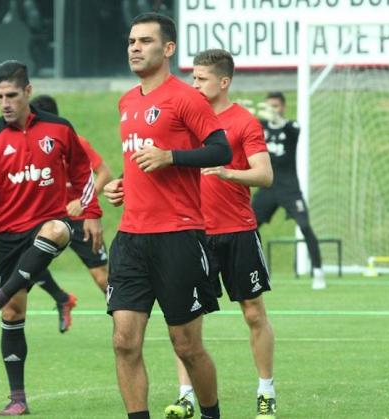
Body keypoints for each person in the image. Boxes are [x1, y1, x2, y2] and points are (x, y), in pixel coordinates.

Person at [103, 13, 232, 419]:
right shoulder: (126, 101)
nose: (135, 48)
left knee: (186, 346)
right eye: (131, 42)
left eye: (144, 41)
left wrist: (172, 157)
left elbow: (220, 150)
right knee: (124, 341)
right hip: (130, 238)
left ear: (168, 49)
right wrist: (121, 183)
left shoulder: (186, 98)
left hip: (178, 237)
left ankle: (211, 414)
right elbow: (144, 159)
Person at [0, 60, 103, 416]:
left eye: (11, 95)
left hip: (47, 223)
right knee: (14, 312)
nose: (5, 103)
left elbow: (84, 171)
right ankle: (17, 398)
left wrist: (91, 214)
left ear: (28, 91)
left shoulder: (59, 128)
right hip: (7, 236)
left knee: (56, 230)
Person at [164, 49, 277, 419]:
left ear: (223, 82)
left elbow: (264, 175)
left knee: (253, 314)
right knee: (186, 320)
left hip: (238, 232)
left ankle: (265, 392)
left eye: (201, 79)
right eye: (192, 78)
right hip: (192, 233)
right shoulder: (183, 122)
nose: (194, 84)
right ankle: (186, 396)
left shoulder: (244, 122)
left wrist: (229, 173)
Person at [29, 94, 113, 333]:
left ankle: (125, 318)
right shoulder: (32, 145)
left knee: (101, 277)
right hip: (49, 220)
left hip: (80, 221)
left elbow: (105, 174)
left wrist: (83, 201)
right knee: (27, 262)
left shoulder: (76, 142)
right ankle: (62, 298)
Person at [253, 91, 326, 290]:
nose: (271, 111)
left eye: (275, 106)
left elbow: (294, 130)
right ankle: (257, 271)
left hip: (289, 188)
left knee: (304, 225)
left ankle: (318, 271)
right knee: (248, 228)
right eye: (268, 107)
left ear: (283, 107)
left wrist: (276, 119)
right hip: (267, 186)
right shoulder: (260, 127)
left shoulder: (291, 126)